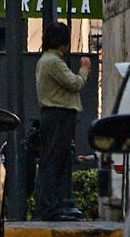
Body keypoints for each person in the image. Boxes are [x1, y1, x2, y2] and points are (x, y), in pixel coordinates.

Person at [35, 20, 91, 222]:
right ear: (63, 43)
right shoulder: (54, 62)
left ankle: (58, 205)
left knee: (58, 160)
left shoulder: (47, 59)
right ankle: (50, 207)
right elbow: (74, 83)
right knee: (54, 161)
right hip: (58, 115)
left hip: (56, 115)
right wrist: (84, 68)